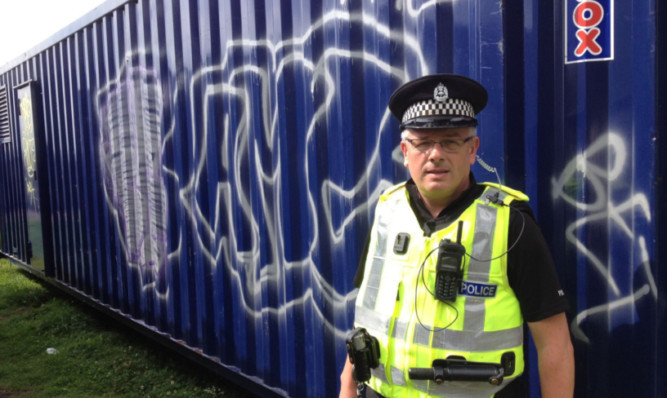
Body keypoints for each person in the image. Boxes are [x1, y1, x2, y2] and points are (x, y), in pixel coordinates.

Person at [339, 74, 574, 398]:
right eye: (422, 143)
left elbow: (555, 343)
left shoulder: (511, 225)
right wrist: (347, 390)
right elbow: (366, 321)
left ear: (472, 149)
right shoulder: (386, 214)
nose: (435, 154)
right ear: (405, 152)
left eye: (450, 141)